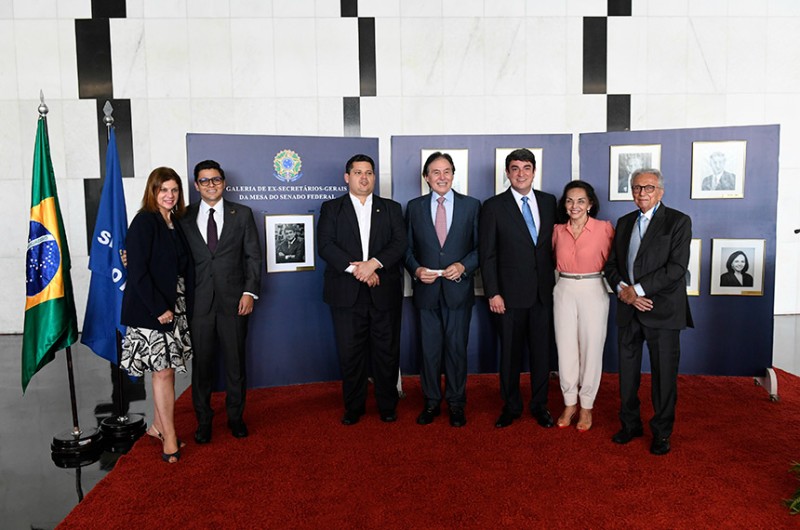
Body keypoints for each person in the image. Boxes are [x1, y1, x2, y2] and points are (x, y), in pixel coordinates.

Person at [603, 168, 693, 456]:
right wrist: (624, 292)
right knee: (627, 375)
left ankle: (662, 432)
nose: (642, 193)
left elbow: (676, 269)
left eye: (649, 188)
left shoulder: (678, 221)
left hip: (662, 310)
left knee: (663, 377)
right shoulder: (624, 221)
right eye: (637, 188)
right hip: (628, 309)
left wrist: (638, 290)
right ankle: (630, 425)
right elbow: (612, 265)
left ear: (661, 191)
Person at [318, 154, 407, 425]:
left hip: (384, 292)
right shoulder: (331, 208)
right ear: (347, 177)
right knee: (350, 352)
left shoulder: (391, 208)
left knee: (386, 352)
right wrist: (359, 270)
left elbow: (399, 243)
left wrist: (373, 265)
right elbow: (326, 246)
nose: (364, 177)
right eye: (358, 172)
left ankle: (387, 405)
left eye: (369, 172)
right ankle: (354, 407)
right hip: (347, 292)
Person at [179, 160, 262, 444]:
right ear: (196, 185)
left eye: (216, 180)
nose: (211, 185)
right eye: (205, 181)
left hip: (234, 302)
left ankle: (236, 418)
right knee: (202, 367)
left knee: (236, 364)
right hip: (199, 304)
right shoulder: (184, 217)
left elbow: (253, 256)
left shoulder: (243, 214)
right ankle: (203, 421)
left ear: (224, 183)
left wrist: (249, 292)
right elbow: (173, 257)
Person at [479, 148, 557, 429]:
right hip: (508, 297)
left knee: (541, 355)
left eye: (526, 168)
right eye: (515, 168)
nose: (521, 173)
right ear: (507, 173)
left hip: (543, 294)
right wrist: (493, 292)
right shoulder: (493, 206)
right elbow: (487, 254)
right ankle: (511, 406)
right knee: (510, 355)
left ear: (534, 172)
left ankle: (539, 405)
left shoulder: (550, 202)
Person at [120, 167, 194, 463]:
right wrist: (158, 309)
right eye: (163, 189)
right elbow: (137, 272)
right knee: (162, 371)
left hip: (174, 304)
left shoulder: (175, 221)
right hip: (152, 308)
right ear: (153, 191)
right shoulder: (144, 221)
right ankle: (170, 438)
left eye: (174, 190)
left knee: (167, 370)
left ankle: (158, 426)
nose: (169, 195)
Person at [405, 152, 480, 427]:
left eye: (447, 171)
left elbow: (480, 248)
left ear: (453, 174)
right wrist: (416, 269)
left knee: (457, 350)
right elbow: (407, 249)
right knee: (430, 351)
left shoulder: (472, 206)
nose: (442, 177)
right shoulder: (413, 207)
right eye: (435, 172)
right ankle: (432, 402)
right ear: (426, 177)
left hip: (458, 291)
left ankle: (457, 403)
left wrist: (464, 266)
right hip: (426, 293)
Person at [551, 181, 614, 432]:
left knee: (591, 348)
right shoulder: (557, 231)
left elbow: (614, 263)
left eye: (580, 201)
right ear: (564, 205)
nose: (574, 205)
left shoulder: (605, 229)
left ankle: (586, 405)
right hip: (564, 289)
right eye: (569, 200)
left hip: (593, 288)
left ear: (590, 204)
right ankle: (569, 403)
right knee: (565, 348)